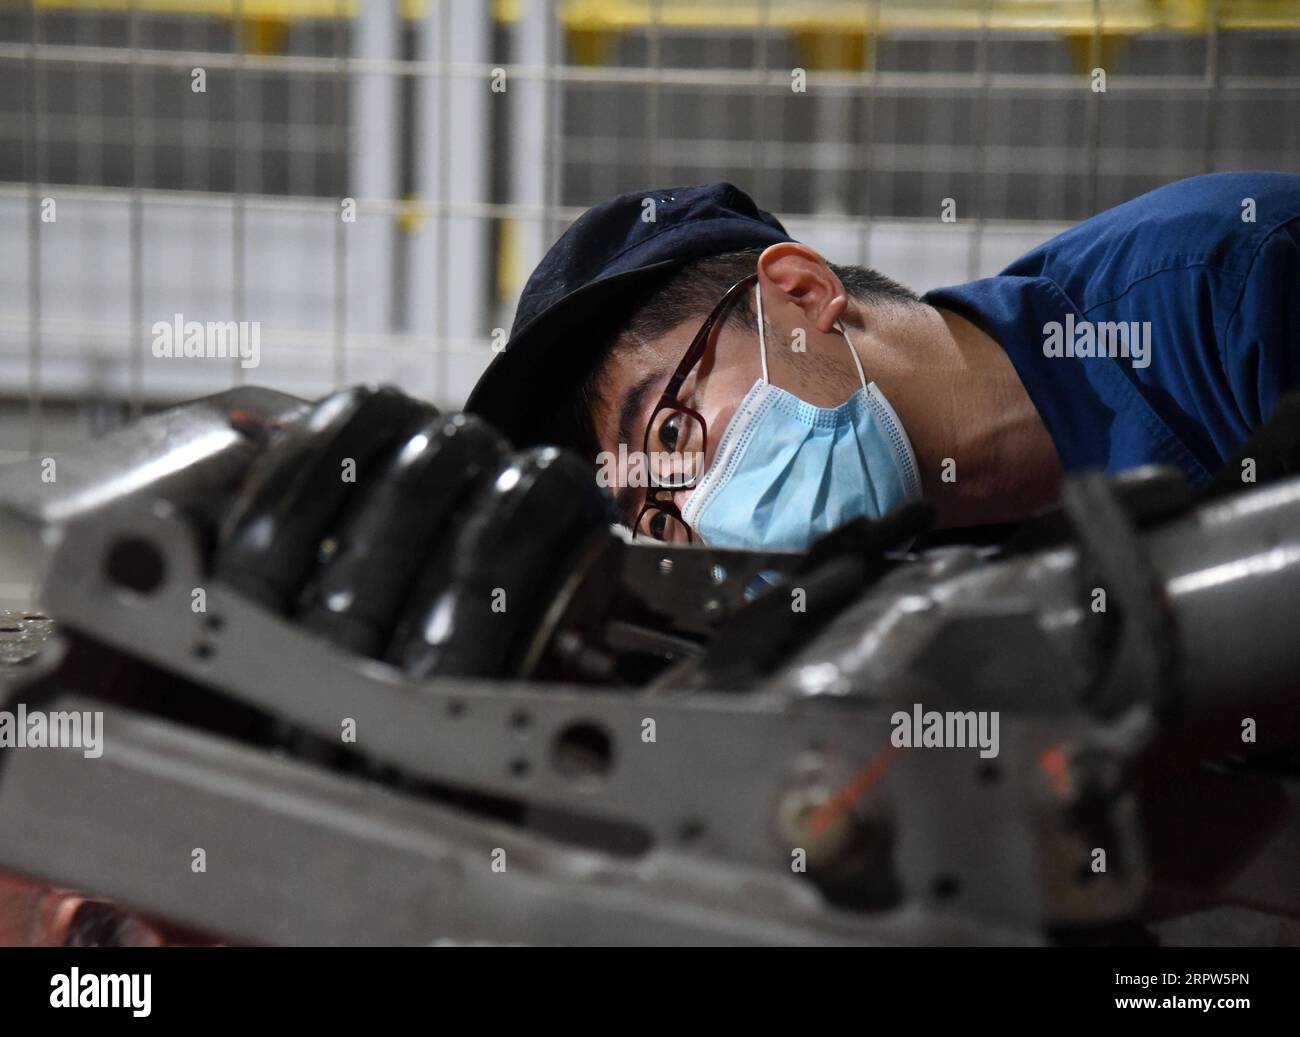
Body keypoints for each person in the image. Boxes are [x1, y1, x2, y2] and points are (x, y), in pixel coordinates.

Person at [466, 175, 1300, 549]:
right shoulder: (925, 637)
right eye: (659, 520)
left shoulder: (1229, 289)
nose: (702, 514)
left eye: (676, 435)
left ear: (800, 292)